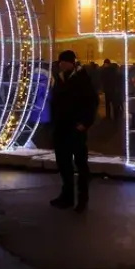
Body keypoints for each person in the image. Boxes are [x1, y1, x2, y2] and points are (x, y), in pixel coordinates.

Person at [49, 50, 98, 212]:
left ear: (71, 62)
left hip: (76, 128)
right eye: (60, 62)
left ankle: (82, 199)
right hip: (61, 127)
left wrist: (85, 123)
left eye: (63, 62)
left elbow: (92, 102)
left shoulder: (82, 78)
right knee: (63, 163)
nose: (61, 65)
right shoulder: (60, 78)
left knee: (80, 164)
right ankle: (67, 196)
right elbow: (55, 101)